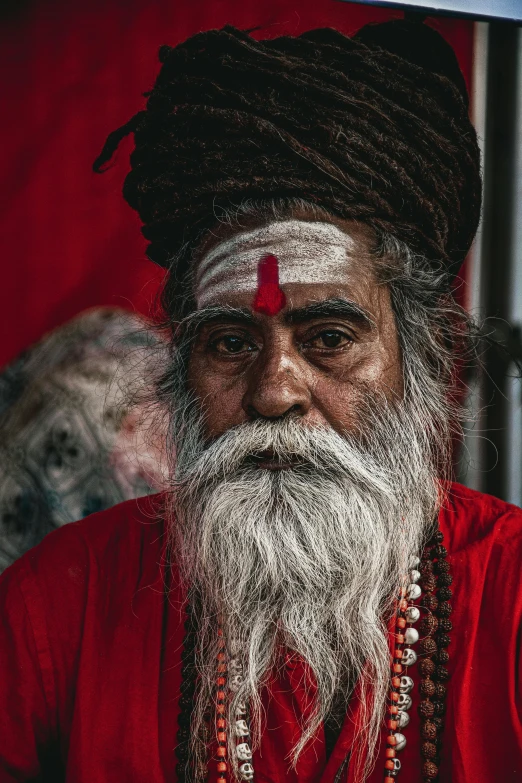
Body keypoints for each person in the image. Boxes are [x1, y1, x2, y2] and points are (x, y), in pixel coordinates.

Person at [0, 17, 521, 783]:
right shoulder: (58, 602)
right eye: (231, 343)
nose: (274, 391)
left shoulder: (509, 597)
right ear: (180, 376)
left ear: (417, 362)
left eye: (330, 337)